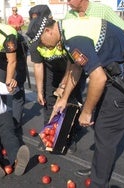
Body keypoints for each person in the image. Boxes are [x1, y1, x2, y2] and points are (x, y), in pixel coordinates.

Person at [26, 15, 124, 187]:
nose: (42, 46)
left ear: (48, 31)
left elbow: (98, 79)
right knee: (100, 124)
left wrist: (86, 111)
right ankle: (99, 169)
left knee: (106, 130)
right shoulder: (66, 30)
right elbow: (76, 67)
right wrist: (64, 98)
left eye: (41, 41)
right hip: (115, 70)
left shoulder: (74, 38)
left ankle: (99, 182)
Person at [65, 0, 124, 175]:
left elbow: (123, 32)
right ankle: (98, 165)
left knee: (102, 120)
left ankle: (99, 169)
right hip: (85, 68)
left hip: (108, 72)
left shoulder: (102, 10)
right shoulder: (69, 16)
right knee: (89, 108)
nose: (68, 2)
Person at [27, 5, 82, 153]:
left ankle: (69, 137)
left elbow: (73, 65)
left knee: (70, 103)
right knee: (49, 102)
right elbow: (38, 66)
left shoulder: (65, 35)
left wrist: (64, 87)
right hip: (52, 71)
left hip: (72, 70)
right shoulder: (35, 43)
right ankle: (48, 135)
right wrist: (39, 91)